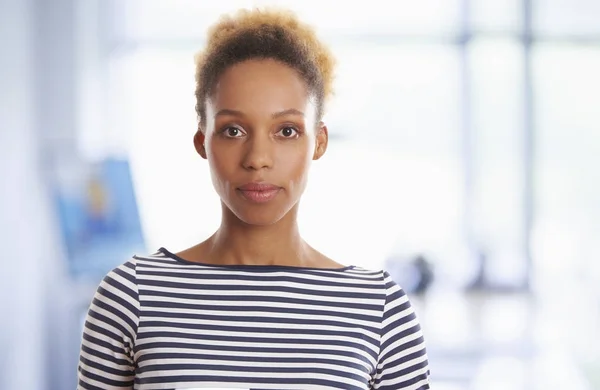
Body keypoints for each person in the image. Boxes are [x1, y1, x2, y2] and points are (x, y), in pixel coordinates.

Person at [77, 7, 430, 390]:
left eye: (287, 131)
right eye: (233, 130)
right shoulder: (132, 296)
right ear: (202, 142)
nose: (257, 159)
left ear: (319, 142)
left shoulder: (378, 309)